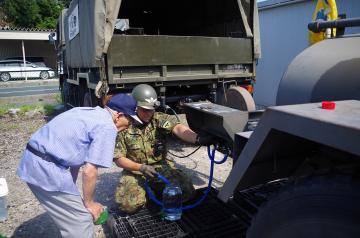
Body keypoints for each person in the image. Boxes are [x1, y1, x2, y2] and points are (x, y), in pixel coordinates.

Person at [16, 94, 141, 238]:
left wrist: (73, 190)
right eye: (130, 119)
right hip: (45, 168)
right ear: (118, 115)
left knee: (77, 211)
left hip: (32, 160)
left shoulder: (90, 112)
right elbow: (89, 171)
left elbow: (76, 161)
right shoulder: (107, 126)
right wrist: (90, 203)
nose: (129, 125)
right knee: (81, 221)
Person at [114, 84, 215, 213]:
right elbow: (118, 159)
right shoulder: (124, 124)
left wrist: (198, 139)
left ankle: (157, 190)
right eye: (144, 109)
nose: (149, 113)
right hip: (136, 170)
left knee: (187, 192)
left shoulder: (158, 118)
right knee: (128, 206)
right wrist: (141, 168)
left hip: (159, 168)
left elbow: (178, 128)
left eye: (151, 109)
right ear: (135, 107)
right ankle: (147, 193)